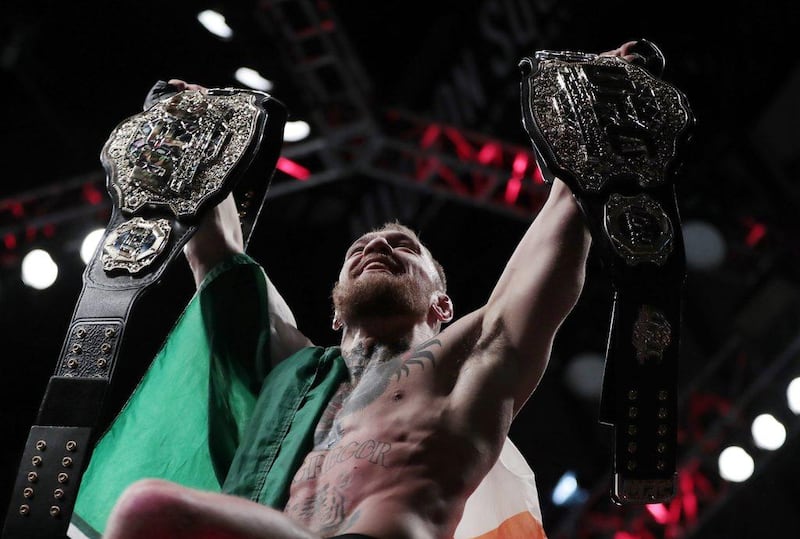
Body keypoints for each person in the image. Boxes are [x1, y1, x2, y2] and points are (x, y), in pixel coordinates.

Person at [74, 41, 643, 539]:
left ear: (442, 304)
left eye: (403, 247)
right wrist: (197, 137)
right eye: (358, 252)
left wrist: (591, 128)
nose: (376, 248)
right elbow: (219, 256)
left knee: (150, 507)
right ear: (334, 309)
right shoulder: (292, 373)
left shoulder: (470, 363)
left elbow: (551, 250)